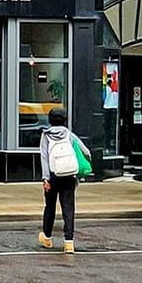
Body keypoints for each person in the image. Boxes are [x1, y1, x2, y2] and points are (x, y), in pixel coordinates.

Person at [38, 106, 89, 254]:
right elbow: (85, 151)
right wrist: (79, 172)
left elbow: (44, 158)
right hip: (69, 176)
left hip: (53, 176)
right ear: (65, 120)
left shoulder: (46, 136)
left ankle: (47, 238)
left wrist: (45, 178)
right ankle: (69, 243)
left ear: (50, 120)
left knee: (50, 207)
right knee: (68, 208)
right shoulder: (69, 135)